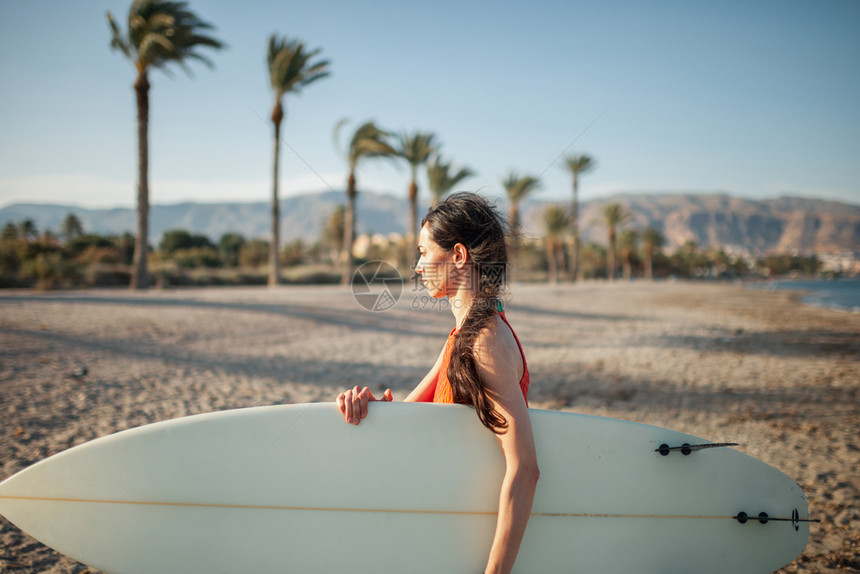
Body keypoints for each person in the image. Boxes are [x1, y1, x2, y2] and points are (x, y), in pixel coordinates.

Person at [336, 192, 539, 574]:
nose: (417, 267)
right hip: (442, 526)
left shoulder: (485, 341)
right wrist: (368, 406)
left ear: (458, 256)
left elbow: (525, 467)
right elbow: (410, 417)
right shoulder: (460, 338)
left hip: (466, 538)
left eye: (424, 252)